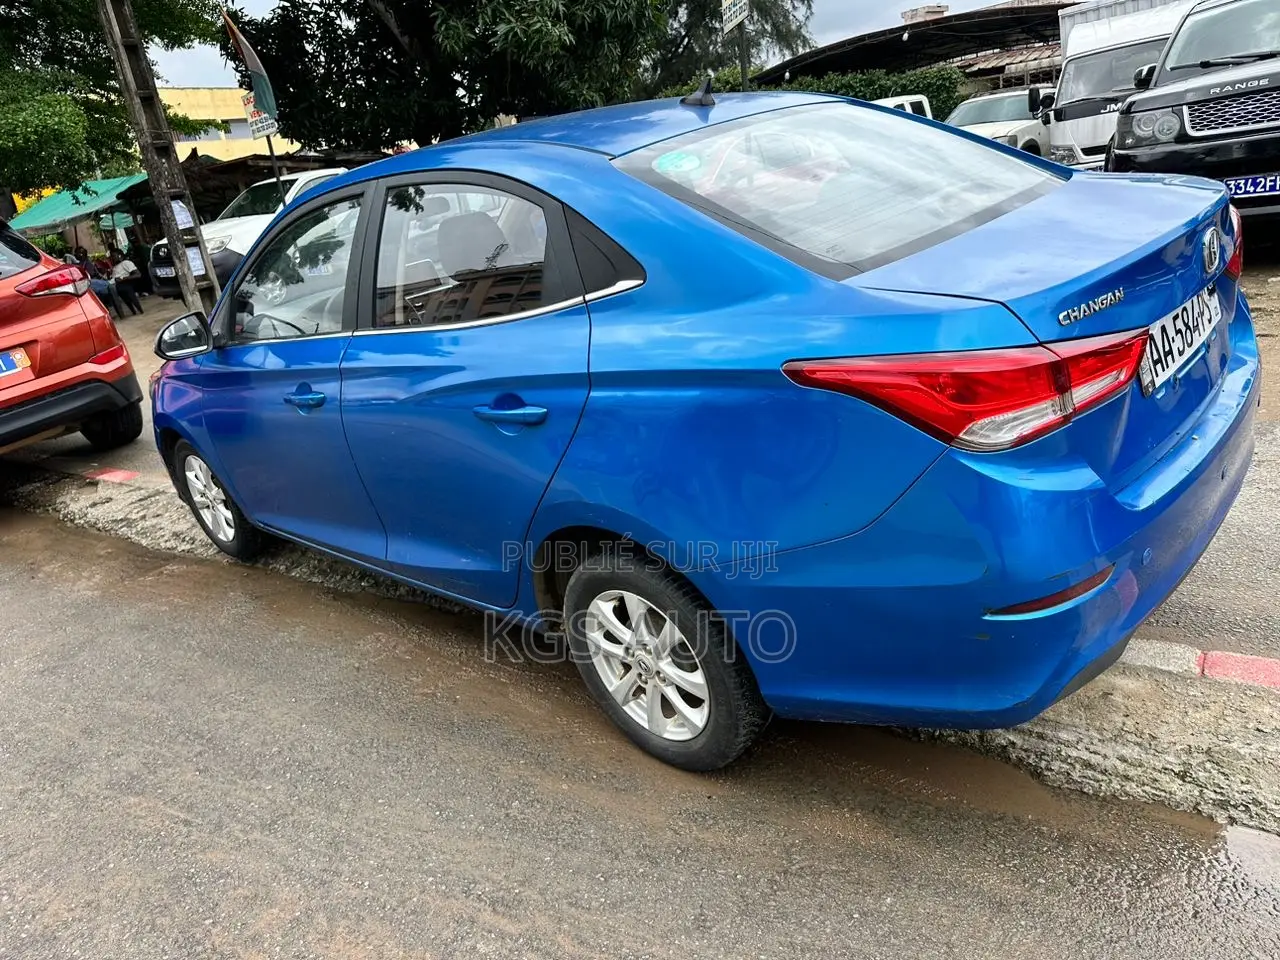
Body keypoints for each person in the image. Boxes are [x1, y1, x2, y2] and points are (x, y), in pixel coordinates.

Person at [75, 246, 125, 321]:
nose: (75, 255)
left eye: (76, 253)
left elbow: (92, 274)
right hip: (91, 283)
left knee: (107, 289)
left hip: (93, 283)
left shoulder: (87, 263)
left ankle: (112, 314)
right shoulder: (81, 264)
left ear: (81, 254)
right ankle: (111, 314)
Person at [108, 245, 144, 316]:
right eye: (111, 257)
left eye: (113, 256)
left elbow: (138, 274)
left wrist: (123, 279)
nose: (112, 258)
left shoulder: (126, 263)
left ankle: (137, 310)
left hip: (122, 283)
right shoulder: (115, 267)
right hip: (113, 284)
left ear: (119, 256)